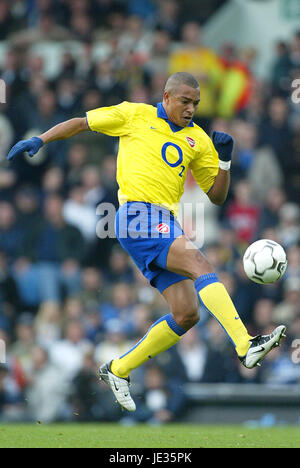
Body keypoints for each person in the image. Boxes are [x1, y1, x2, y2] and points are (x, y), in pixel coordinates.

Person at [7, 72, 286, 412]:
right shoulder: (134, 114)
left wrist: (224, 161)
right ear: (166, 97)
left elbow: (217, 196)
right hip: (135, 215)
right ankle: (245, 344)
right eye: (185, 101)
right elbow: (82, 123)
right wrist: (42, 139)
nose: (190, 109)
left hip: (163, 221)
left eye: (195, 104)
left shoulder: (198, 140)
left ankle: (118, 369)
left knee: (186, 314)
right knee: (201, 264)